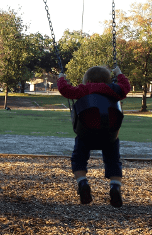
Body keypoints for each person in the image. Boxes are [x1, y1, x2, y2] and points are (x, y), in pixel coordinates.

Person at [58, 66, 131, 208]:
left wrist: (61, 78)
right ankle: (115, 187)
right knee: (114, 161)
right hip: (109, 135)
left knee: (78, 158)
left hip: (86, 133)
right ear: (108, 80)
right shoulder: (114, 89)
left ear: (89, 81)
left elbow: (65, 90)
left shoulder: (84, 89)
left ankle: (83, 182)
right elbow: (126, 87)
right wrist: (119, 73)